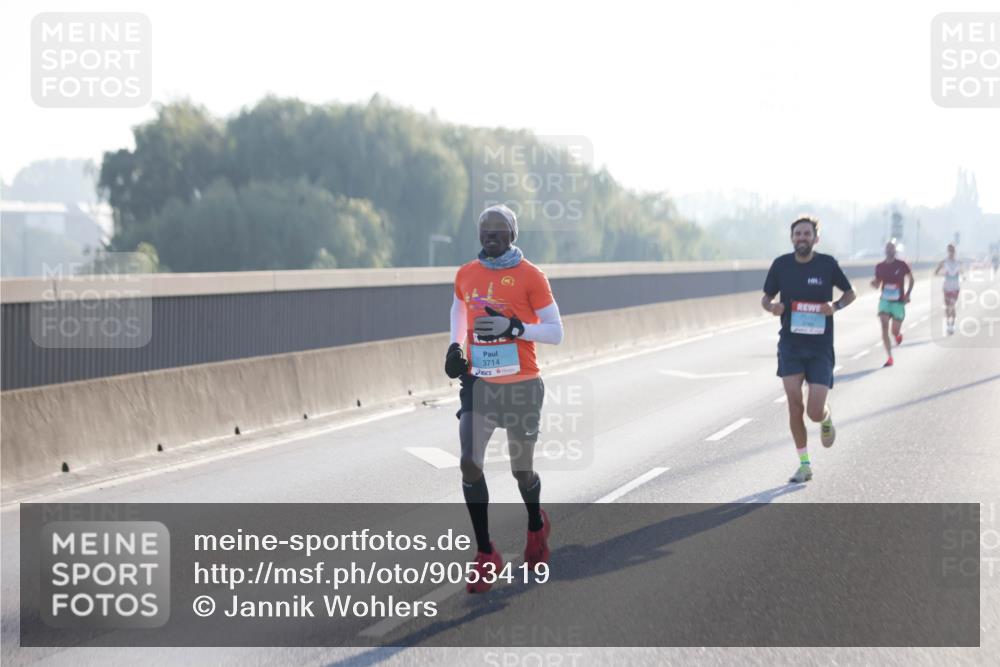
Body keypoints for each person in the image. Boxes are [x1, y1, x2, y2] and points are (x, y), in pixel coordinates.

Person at [444, 204, 564, 593]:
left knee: (521, 472)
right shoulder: (466, 274)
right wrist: (455, 348)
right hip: (480, 383)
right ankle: (485, 554)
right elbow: (460, 306)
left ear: (513, 235)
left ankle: (535, 525)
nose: (490, 236)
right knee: (468, 463)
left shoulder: (532, 276)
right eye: (484, 230)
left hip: (522, 384)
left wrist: (515, 327)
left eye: (499, 231)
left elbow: (555, 331)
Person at [762, 216, 856, 483]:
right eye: (797, 234)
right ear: (792, 238)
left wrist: (835, 306)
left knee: (814, 411)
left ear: (816, 238)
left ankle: (825, 418)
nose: (801, 238)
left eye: (806, 234)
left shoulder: (827, 264)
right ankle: (804, 464)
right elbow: (766, 298)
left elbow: (851, 292)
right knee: (794, 406)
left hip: (820, 347)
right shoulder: (781, 265)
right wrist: (772, 307)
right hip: (790, 344)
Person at [871, 241, 914, 365]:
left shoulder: (902, 265)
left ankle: (897, 335)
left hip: (898, 302)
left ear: (895, 251)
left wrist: (908, 294)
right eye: (888, 248)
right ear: (885, 251)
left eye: (892, 248)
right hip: (884, 301)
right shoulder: (880, 266)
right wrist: (874, 284)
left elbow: (911, 279)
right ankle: (889, 357)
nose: (890, 250)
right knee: (884, 326)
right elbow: (878, 283)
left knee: (894, 331)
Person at [935, 244, 963, 336]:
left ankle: (952, 325)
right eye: (950, 250)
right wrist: (943, 273)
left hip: (955, 287)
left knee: (952, 305)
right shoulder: (943, 262)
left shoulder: (958, 262)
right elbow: (936, 272)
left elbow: (962, 273)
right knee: (947, 307)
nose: (951, 252)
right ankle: (948, 324)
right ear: (948, 251)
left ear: (955, 251)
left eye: (953, 250)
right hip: (946, 287)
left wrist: (961, 276)